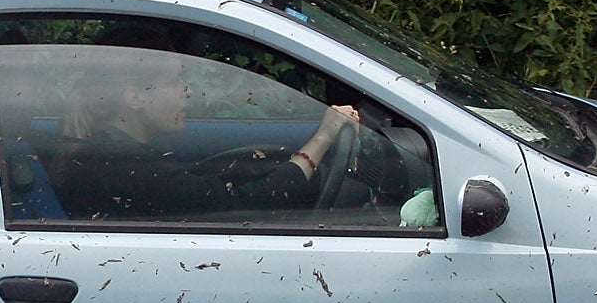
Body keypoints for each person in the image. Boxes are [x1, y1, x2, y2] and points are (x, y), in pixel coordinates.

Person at [47, 48, 364, 222]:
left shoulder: (112, 155)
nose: (186, 90)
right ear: (135, 98)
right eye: (173, 81)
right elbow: (247, 205)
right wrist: (324, 137)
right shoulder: (131, 169)